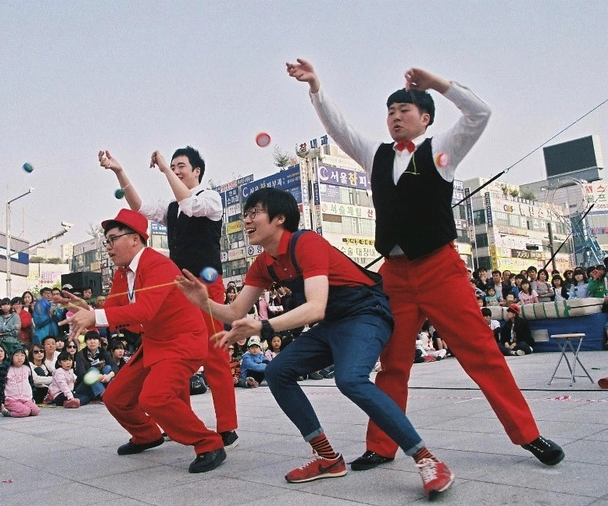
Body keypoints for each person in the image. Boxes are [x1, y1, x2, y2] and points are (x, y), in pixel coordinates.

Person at [286, 58, 563, 470]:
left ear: (426, 118)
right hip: (395, 275)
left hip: (440, 268)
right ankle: (381, 445)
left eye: (404, 110)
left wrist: (438, 83)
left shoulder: (443, 150)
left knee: (481, 353)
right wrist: (316, 88)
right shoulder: (375, 155)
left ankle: (529, 434)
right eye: (390, 112)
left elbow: (480, 113)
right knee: (392, 363)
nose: (395, 117)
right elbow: (339, 128)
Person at [177, 188, 452, 496]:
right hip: (333, 323)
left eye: (255, 213)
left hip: (366, 314)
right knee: (277, 371)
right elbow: (235, 312)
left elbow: (315, 307)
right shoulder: (263, 264)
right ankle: (327, 457)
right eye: (245, 215)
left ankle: (427, 459)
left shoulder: (306, 242)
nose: (247, 221)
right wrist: (203, 301)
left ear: (280, 218)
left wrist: (264, 326)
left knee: (350, 379)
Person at [63, 209, 226, 474]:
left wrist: (95, 315)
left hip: (183, 342)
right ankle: (147, 435)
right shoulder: (122, 273)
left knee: (155, 397)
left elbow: (144, 311)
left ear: (135, 239)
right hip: (155, 342)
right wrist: (86, 312)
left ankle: (209, 443)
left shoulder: (158, 265)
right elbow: (113, 310)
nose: (108, 247)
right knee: (115, 397)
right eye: (106, 241)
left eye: (112, 239)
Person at [98, 146, 239, 450]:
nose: (175, 170)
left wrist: (163, 168)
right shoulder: (172, 207)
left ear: (197, 171)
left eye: (181, 166)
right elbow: (139, 208)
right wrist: (119, 171)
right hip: (178, 288)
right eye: (172, 166)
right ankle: (181, 423)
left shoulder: (210, 199)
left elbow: (190, 204)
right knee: (171, 357)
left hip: (206, 286)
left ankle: (227, 427)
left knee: (214, 356)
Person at [0, 346, 40, 418]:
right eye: (16, 355)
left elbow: (31, 382)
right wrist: (0, 400)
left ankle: (21, 408)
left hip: (26, 398)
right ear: (11, 356)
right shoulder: (5, 369)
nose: (20, 358)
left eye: (22, 355)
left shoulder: (27, 368)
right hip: (11, 399)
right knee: (25, 411)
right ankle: (8, 413)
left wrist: (33, 395)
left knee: (36, 411)